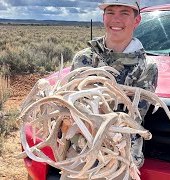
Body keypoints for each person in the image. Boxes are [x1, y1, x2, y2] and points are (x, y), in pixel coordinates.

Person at [70, 0, 158, 170]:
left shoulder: (147, 67)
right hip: (79, 153)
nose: (116, 19)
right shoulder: (82, 58)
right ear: (103, 17)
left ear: (137, 20)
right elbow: (69, 105)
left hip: (119, 157)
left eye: (124, 13)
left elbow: (131, 119)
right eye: (110, 12)